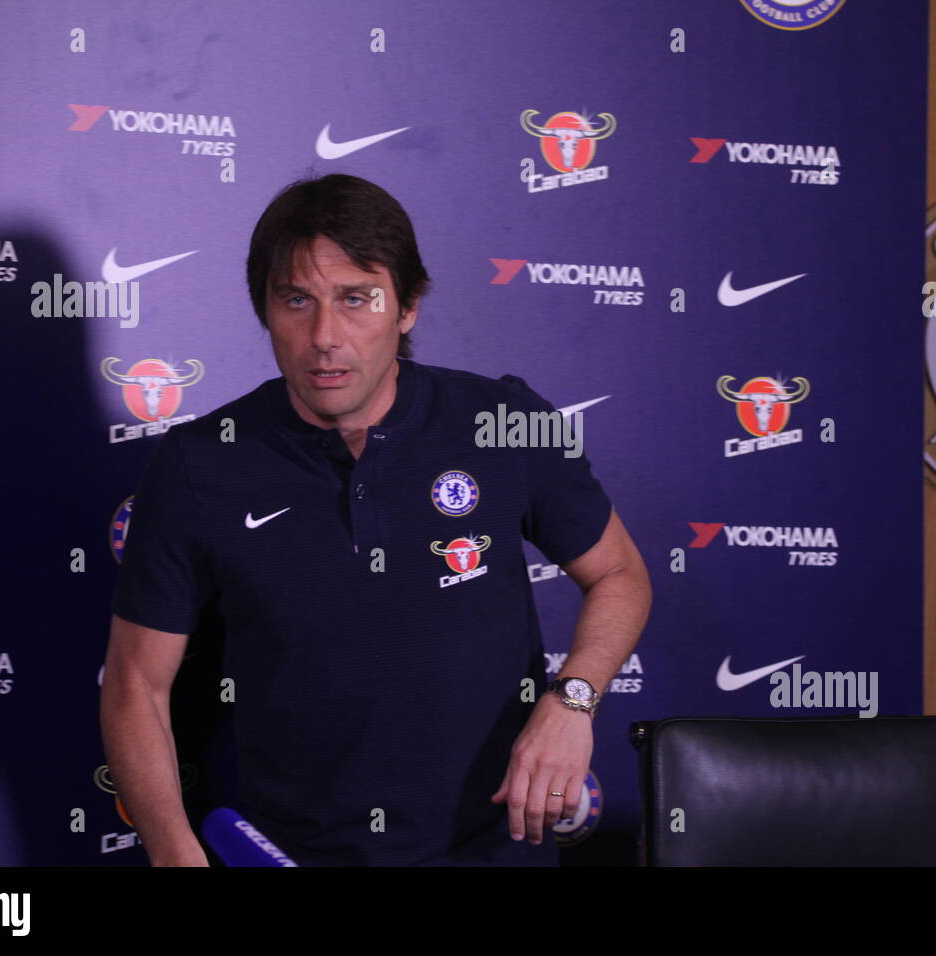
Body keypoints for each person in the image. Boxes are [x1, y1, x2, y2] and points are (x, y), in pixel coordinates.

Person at [99, 173, 651, 866]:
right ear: (266, 310)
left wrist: (572, 701)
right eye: (296, 300)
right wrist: (175, 854)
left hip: (492, 848)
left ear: (408, 306)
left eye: (356, 299)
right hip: (296, 852)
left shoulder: (503, 422)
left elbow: (621, 575)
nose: (324, 336)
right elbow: (134, 686)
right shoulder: (199, 463)